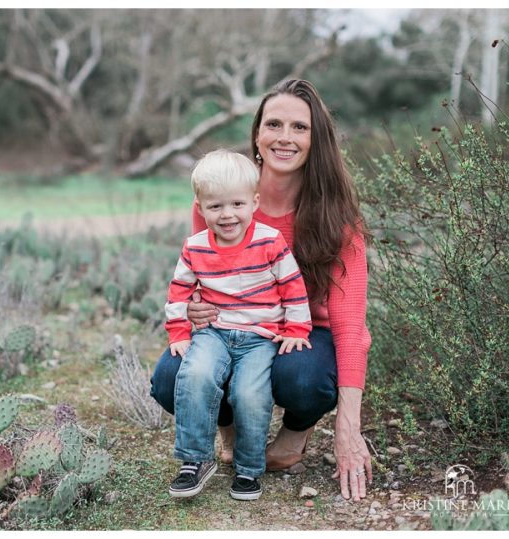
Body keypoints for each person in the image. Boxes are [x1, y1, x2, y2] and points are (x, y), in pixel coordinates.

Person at [151, 79, 373, 502]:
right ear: (257, 134)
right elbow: (204, 270)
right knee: (169, 378)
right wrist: (195, 307)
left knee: (302, 379)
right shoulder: (223, 198)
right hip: (233, 326)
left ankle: (293, 437)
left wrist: (349, 430)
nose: (284, 137)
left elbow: (350, 327)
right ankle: (231, 435)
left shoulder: (336, 216)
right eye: (274, 123)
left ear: (316, 139)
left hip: (303, 335)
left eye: (299, 127)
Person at [165, 149, 312, 501]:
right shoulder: (195, 247)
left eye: (236, 204)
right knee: (194, 375)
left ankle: (248, 470)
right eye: (215, 207)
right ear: (200, 208)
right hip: (213, 333)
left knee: (249, 393)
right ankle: (195, 460)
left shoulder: (270, 241)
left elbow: (293, 287)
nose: (227, 214)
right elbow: (179, 292)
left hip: (260, 337)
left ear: (254, 202)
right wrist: (179, 331)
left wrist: (296, 330)